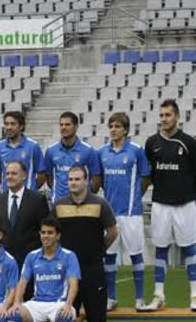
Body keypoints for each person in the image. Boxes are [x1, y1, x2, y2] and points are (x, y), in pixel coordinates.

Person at [143, 99, 196, 311]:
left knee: (191, 248)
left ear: (177, 117)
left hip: (186, 204)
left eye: (168, 115)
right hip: (160, 204)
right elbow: (149, 174)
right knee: (161, 249)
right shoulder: (151, 143)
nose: (164, 119)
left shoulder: (189, 143)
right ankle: (158, 296)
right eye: (162, 115)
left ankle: (194, 295)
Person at [97, 112, 150, 311]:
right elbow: (99, 180)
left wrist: (134, 198)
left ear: (126, 130)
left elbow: (145, 179)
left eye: (117, 126)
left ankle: (139, 298)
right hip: (110, 215)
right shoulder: (102, 152)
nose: (113, 130)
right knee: (109, 256)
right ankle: (111, 298)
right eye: (111, 126)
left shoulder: (137, 151)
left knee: (136, 255)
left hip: (131, 214)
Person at [53, 166, 117, 322]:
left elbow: (112, 232)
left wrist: (98, 251)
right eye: (70, 179)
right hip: (67, 271)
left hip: (92, 269)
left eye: (77, 179)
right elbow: (53, 234)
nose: (73, 183)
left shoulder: (100, 204)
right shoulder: (58, 205)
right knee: (65, 316)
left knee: (96, 316)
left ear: (86, 181)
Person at [10, 217, 80, 322]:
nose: (45, 236)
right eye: (43, 232)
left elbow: (74, 284)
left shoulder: (69, 256)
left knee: (65, 317)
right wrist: (16, 303)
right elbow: (22, 283)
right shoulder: (32, 256)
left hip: (59, 303)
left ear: (58, 236)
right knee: (14, 315)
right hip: (37, 303)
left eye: (50, 233)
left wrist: (68, 304)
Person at [0, 161, 50, 268]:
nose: (9, 177)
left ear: (24, 176)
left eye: (14, 173)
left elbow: (46, 230)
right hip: (4, 263)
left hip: (31, 262)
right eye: (7, 174)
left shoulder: (38, 200)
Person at [44, 111, 101, 203]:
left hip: (82, 203)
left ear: (76, 126)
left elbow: (96, 179)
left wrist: (86, 194)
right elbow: (48, 177)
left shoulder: (88, 150)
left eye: (67, 124)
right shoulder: (51, 151)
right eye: (61, 125)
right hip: (59, 202)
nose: (63, 127)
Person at [0, 111, 46, 194]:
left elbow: (41, 175)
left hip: (28, 198)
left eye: (13, 124)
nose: (9, 127)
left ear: (21, 126)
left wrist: (30, 188)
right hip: (6, 197)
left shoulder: (33, 146)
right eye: (6, 124)